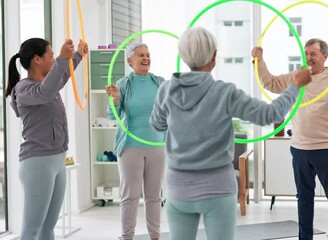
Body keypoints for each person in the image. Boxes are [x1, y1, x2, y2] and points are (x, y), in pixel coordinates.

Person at [150, 27, 312, 240]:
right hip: (217, 188)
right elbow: (269, 115)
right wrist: (295, 86)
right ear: (214, 56)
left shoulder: (166, 90)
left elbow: (157, 125)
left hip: (178, 189)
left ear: (183, 55)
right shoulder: (224, 92)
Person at [252, 39, 328, 240]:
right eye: (306, 53)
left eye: (313, 53)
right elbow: (270, 82)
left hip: (327, 147)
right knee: (304, 199)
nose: (308, 58)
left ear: (324, 56)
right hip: (300, 148)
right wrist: (259, 60)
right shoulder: (298, 76)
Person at [5, 38, 87, 240]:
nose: (53, 58)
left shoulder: (47, 84)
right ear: (36, 59)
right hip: (37, 163)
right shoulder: (23, 90)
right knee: (32, 229)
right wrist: (62, 58)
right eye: (50, 54)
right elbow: (46, 92)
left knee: (48, 227)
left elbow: (63, 74)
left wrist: (78, 55)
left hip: (58, 159)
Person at [105, 42, 166, 240]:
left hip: (157, 146)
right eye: (141, 55)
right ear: (130, 60)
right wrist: (114, 100)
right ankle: (127, 237)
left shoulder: (159, 82)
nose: (146, 58)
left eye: (148, 54)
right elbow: (111, 116)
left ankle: (155, 236)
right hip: (130, 147)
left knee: (154, 197)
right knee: (130, 196)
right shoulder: (123, 84)